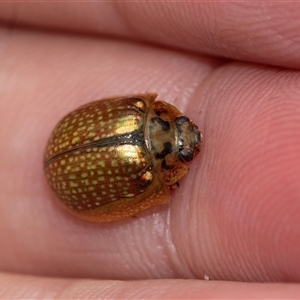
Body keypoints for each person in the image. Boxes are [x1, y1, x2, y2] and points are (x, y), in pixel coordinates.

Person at [0, 2, 299, 298]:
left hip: (67, 141)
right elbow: (144, 198)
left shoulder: (136, 111)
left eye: (180, 123)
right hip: (71, 178)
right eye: (184, 152)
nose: (191, 133)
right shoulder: (141, 152)